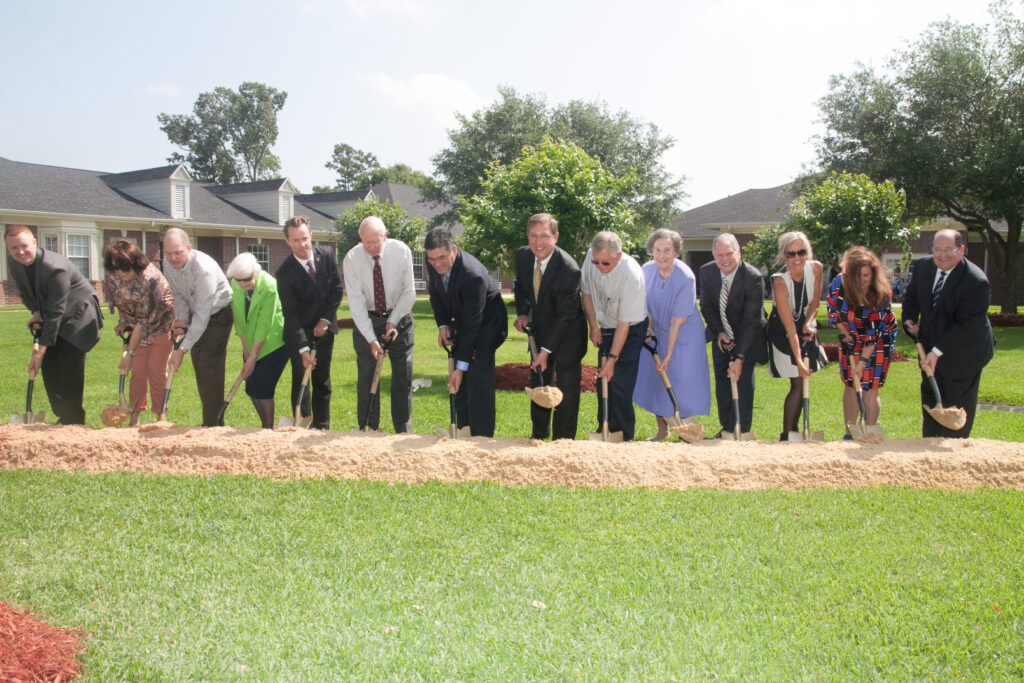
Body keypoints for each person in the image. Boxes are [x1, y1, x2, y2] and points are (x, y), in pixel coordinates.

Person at [5, 224, 103, 424]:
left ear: (34, 242)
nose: (20, 252)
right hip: (53, 312)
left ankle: (74, 421)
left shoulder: (54, 267)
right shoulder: (14, 262)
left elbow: (57, 310)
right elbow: (25, 292)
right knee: (50, 369)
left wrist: (40, 352)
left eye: (24, 246)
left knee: (68, 368)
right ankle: (63, 416)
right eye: (14, 248)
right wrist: (36, 312)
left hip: (78, 316)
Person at [902, 229, 994, 437]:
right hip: (931, 344)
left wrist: (937, 351)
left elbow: (967, 325)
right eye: (937, 249)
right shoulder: (923, 267)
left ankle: (954, 448)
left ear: (961, 250)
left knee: (955, 402)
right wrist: (909, 319)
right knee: (931, 397)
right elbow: (912, 298)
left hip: (965, 352)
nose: (942, 255)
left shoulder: (976, 281)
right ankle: (930, 444)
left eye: (948, 250)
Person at [424, 226, 508, 437]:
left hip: (488, 325)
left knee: (476, 374)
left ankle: (481, 437)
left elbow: (473, 325)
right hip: (461, 321)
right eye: (432, 259)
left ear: (454, 249)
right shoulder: (433, 261)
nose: (437, 264)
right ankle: (464, 429)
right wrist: (443, 325)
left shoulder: (473, 275)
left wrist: (461, 367)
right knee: (460, 382)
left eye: (442, 257)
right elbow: (435, 293)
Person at [512, 213, 588, 440]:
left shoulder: (568, 269)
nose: (538, 242)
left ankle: (562, 441)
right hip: (541, 330)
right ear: (527, 236)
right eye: (533, 236)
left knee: (565, 392)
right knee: (540, 386)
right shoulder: (524, 256)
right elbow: (521, 286)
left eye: (544, 236)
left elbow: (565, 317)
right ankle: (539, 435)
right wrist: (523, 312)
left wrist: (545, 351)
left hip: (568, 337)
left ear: (555, 237)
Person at [633, 229, 711, 440]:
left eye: (667, 250)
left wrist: (668, 355)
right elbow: (646, 305)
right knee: (657, 380)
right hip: (657, 331)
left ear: (676, 252)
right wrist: (648, 328)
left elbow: (677, 321)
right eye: (657, 250)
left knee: (681, 379)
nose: (661, 255)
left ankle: (686, 431)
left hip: (684, 334)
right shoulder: (646, 270)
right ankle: (662, 431)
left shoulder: (685, 277)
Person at [342, 216, 416, 432]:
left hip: (399, 316)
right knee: (366, 375)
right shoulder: (352, 259)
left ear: (386, 235)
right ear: (360, 240)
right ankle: (368, 427)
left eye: (376, 241)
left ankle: (402, 429)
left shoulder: (401, 252)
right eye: (366, 242)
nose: (371, 247)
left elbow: (409, 292)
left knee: (402, 374)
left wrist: (393, 321)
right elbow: (355, 303)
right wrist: (371, 339)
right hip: (368, 318)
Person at [274, 215, 344, 430]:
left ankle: (322, 427)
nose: (302, 244)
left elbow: (337, 290)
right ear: (287, 242)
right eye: (295, 240)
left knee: (322, 380)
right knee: (301, 380)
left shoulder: (327, 255)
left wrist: (325, 320)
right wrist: (303, 348)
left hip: (325, 329)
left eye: (305, 238)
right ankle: (303, 424)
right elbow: (291, 315)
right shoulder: (284, 274)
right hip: (299, 333)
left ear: (311, 236)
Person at [580, 231, 648, 442]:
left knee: (619, 380)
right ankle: (604, 428)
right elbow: (586, 292)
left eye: (605, 263)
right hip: (606, 323)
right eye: (596, 261)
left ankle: (623, 434)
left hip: (631, 327)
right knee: (604, 380)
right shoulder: (591, 258)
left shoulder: (632, 276)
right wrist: (593, 325)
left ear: (618, 256)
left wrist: (613, 359)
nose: (599, 266)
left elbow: (624, 324)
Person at [162, 228, 233, 427]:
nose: (173, 258)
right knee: (200, 366)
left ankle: (213, 425)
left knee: (209, 367)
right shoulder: (168, 264)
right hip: (197, 313)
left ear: (188, 248)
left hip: (218, 315)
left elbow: (203, 314)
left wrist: (182, 349)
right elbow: (178, 295)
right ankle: (210, 421)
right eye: (168, 253)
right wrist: (182, 320)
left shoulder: (204, 269)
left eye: (177, 252)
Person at [698, 233, 767, 439]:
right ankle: (726, 429)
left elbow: (751, 320)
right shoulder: (707, 272)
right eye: (719, 255)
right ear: (714, 256)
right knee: (722, 381)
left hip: (748, 335)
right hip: (721, 335)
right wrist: (719, 332)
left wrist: (739, 357)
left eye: (729, 253)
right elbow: (707, 306)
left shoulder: (753, 277)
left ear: (739, 252)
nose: (724, 259)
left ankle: (741, 429)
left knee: (742, 379)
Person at [826, 246, 899, 437]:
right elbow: (833, 310)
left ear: (873, 273)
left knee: (869, 386)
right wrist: (843, 331)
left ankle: (868, 431)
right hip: (850, 335)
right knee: (851, 383)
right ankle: (850, 433)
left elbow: (873, 335)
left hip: (880, 338)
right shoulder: (838, 283)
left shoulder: (880, 294)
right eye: (857, 276)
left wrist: (862, 362)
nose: (862, 281)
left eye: (866, 275)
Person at [101, 239, 175, 426]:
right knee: (138, 372)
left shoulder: (150, 280)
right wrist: (123, 320)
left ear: (135, 264)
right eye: (116, 268)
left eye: (125, 268)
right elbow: (119, 299)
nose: (120, 272)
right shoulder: (113, 275)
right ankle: (134, 416)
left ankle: (160, 415)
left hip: (160, 325)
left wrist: (129, 354)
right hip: (136, 325)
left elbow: (143, 323)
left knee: (156, 371)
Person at [767, 231, 828, 441]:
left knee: (802, 383)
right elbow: (789, 328)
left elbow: (814, 304)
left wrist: (810, 324)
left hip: (804, 326)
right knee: (798, 382)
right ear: (784, 256)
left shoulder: (816, 268)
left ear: (807, 252)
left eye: (801, 252)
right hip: (783, 332)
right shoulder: (779, 282)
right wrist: (799, 361)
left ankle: (791, 434)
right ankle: (787, 434)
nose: (796, 258)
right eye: (791, 253)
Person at [226, 252, 290, 428]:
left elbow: (264, 324)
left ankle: (269, 429)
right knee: (251, 388)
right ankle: (264, 427)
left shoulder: (269, 286)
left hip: (273, 343)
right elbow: (239, 319)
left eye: (246, 280)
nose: (241, 284)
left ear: (255, 273)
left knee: (263, 389)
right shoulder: (236, 283)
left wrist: (254, 356)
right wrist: (246, 351)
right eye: (237, 280)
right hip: (250, 340)